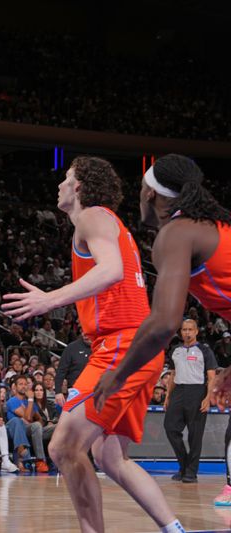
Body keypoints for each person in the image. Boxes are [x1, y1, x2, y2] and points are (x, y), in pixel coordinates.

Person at [4, 156, 179, 532]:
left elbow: (111, 269)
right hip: (135, 346)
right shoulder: (104, 222)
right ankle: (175, 528)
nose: (59, 185)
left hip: (123, 344)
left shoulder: (92, 216)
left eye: (66, 178)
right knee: (110, 457)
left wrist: (50, 299)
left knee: (63, 446)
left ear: (80, 186)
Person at [91, 155, 231, 510]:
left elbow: (164, 322)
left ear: (150, 193)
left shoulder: (176, 234)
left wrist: (118, 374)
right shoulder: (209, 227)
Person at [162, 319, 217, 483]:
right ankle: (184, 464)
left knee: (195, 435)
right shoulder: (175, 350)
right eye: (184, 330)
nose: (187, 332)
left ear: (196, 332)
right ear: (181, 332)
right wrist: (167, 397)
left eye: (190, 330)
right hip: (178, 391)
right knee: (170, 428)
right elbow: (172, 375)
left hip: (197, 392)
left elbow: (212, 377)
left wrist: (208, 397)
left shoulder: (204, 351)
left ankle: (190, 472)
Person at [5, 375, 48, 473]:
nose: (24, 386)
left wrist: (36, 422)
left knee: (53, 428)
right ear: (15, 387)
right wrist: (31, 400)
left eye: (25, 384)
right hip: (14, 429)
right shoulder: (12, 401)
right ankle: (38, 460)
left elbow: (39, 419)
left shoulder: (28, 401)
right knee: (19, 421)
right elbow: (27, 417)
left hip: (29, 427)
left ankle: (60, 459)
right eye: (20, 384)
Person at [54, 333, 92, 407]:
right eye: (83, 331)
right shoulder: (72, 347)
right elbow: (61, 371)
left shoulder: (101, 347)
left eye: (88, 332)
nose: (85, 335)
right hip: (76, 392)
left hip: (95, 392)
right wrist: (58, 392)